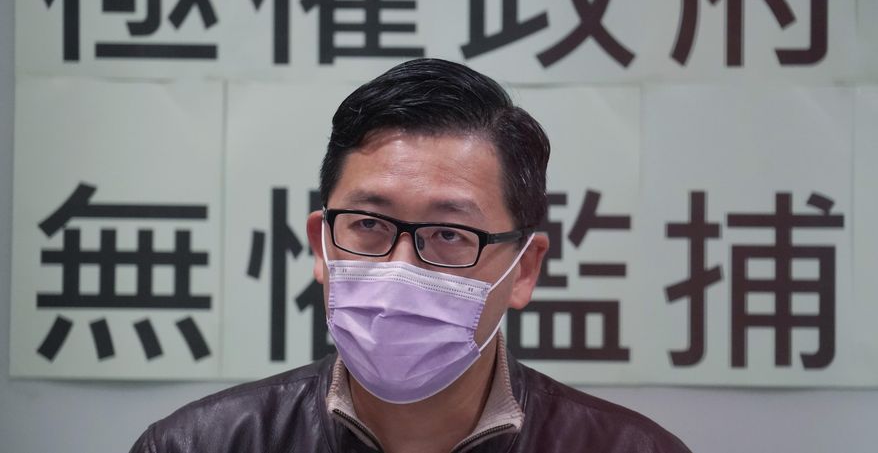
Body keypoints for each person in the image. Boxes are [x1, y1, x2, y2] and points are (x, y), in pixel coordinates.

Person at [130, 58, 691, 453]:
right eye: (369, 224)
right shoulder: (197, 445)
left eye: (449, 234)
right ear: (321, 247)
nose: (400, 265)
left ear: (524, 269)